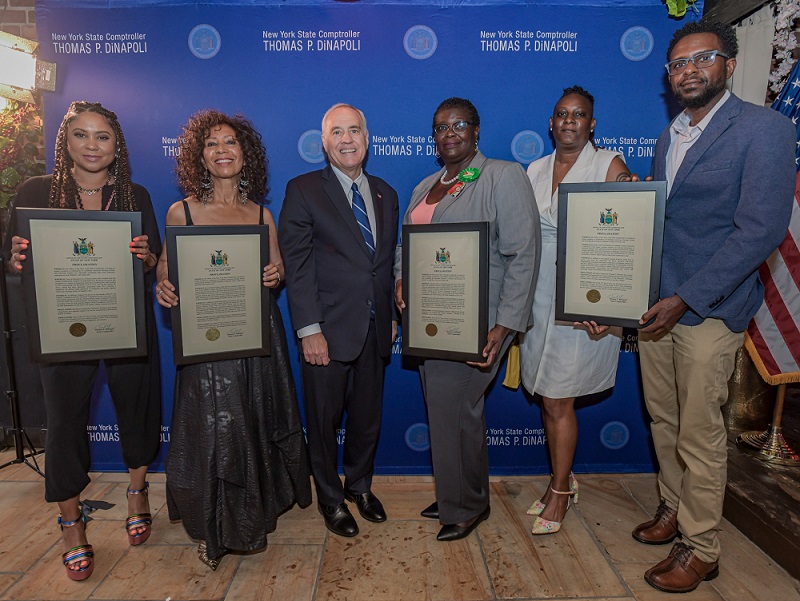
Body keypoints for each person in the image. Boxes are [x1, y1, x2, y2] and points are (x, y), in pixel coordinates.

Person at [633, 19, 795, 593]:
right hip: (658, 309)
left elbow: (760, 231)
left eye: (702, 58)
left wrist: (687, 298)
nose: (688, 71)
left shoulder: (764, 129)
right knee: (665, 419)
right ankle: (673, 509)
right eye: (677, 64)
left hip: (709, 310)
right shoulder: (667, 136)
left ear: (727, 64)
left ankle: (702, 549)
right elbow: (661, 225)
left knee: (700, 433)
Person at [3, 101, 161, 581]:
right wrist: (15, 257)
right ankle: (71, 521)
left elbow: (151, 261)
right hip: (63, 325)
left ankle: (137, 493)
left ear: (117, 145)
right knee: (65, 422)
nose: (93, 146)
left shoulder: (135, 194)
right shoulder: (35, 192)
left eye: (103, 137)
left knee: (138, 407)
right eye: (82, 136)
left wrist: (145, 256)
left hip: (125, 320)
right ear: (64, 141)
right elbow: (15, 263)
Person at [156, 110, 312, 569]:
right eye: (212, 144)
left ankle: (255, 512)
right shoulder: (181, 210)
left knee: (253, 420)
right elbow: (167, 267)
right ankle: (213, 526)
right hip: (206, 341)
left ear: (246, 155)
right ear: (199, 157)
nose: (222, 151)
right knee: (214, 431)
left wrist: (273, 272)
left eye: (231, 143)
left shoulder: (261, 213)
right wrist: (163, 284)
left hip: (256, 335)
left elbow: (278, 268)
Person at [394, 97, 539, 541]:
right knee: (448, 414)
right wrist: (400, 280)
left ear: (477, 131)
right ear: (433, 138)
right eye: (441, 127)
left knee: (457, 412)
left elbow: (523, 253)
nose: (450, 132)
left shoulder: (500, 175)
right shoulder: (424, 187)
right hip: (430, 321)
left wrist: (505, 325)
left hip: (478, 324)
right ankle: (460, 492)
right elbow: (408, 246)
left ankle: (465, 507)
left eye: (460, 124)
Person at [279, 103, 399, 538]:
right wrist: (309, 329)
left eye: (355, 131)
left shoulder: (386, 192)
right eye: (337, 132)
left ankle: (360, 487)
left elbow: (381, 265)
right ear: (323, 141)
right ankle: (331, 498)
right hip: (326, 332)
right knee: (325, 421)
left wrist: (390, 318)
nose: (347, 140)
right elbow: (297, 264)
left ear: (368, 138)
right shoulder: (304, 189)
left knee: (368, 418)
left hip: (374, 329)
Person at [519, 86, 630, 535]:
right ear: (551, 122)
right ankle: (558, 481)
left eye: (579, 115)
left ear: (592, 124)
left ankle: (561, 493)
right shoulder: (535, 168)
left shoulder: (609, 164)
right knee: (547, 394)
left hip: (586, 302)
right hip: (539, 296)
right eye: (562, 114)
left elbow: (626, 235)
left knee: (559, 398)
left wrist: (609, 302)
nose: (569, 121)